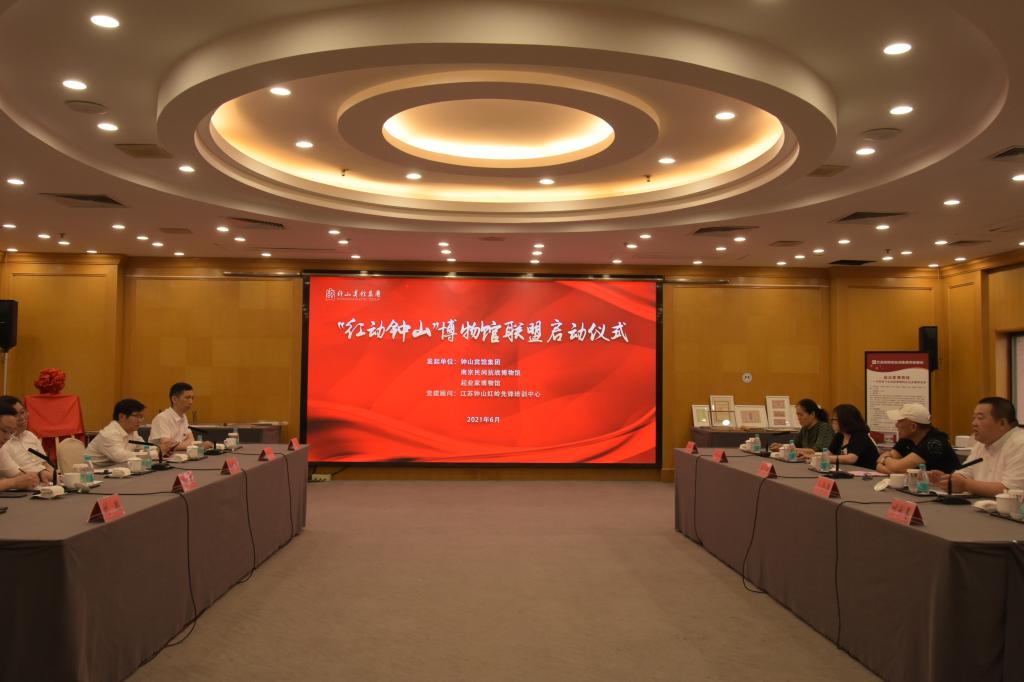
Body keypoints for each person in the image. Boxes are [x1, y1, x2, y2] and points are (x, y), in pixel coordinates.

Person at [929, 397, 1024, 496]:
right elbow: (965, 472)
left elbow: (1011, 490)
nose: (973, 423)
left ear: (1002, 423)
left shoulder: (1020, 444)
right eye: (974, 418)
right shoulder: (982, 443)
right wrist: (947, 480)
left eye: (980, 418)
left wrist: (965, 485)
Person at [876, 403, 959, 474]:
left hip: (942, 487)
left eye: (900, 421)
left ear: (913, 427)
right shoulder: (907, 438)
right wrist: (892, 467)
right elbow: (880, 465)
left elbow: (898, 467)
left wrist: (885, 460)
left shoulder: (934, 443)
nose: (896, 425)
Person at [0, 394, 53, 484]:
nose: (22, 418)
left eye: (22, 412)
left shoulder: (30, 435)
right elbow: (19, 478)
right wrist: (13, 483)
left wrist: (52, 476)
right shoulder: (4, 445)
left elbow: (45, 463)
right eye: (5, 430)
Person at [148, 382, 212, 452]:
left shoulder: (183, 416)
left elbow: (191, 439)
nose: (191, 402)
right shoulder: (162, 418)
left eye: (192, 398)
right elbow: (167, 446)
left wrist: (181, 445)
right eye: (187, 398)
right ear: (174, 399)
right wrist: (197, 446)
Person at [85, 398, 146, 469]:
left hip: (116, 469)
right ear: (121, 416)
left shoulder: (132, 431)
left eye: (141, 417)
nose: (140, 421)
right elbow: (120, 457)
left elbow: (146, 447)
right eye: (136, 416)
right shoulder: (109, 434)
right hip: (94, 473)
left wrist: (155, 450)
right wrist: (147, 454)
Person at [0, 403, 43, 491]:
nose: (7, 438)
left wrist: (33, 477)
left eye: (11, 432)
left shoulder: (1, 449)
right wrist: (12, 483)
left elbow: (19, 476)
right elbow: (16, 481)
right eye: (4, 431)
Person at [825, 403, 879, 470]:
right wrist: (818, 457)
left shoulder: (860, 435)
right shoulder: (840, 435)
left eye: (834, 419)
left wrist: (826, 458)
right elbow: (829, 453)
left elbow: (851, 458)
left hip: (867, 472)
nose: (832, 422)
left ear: (845, 420)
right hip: (848, 471)